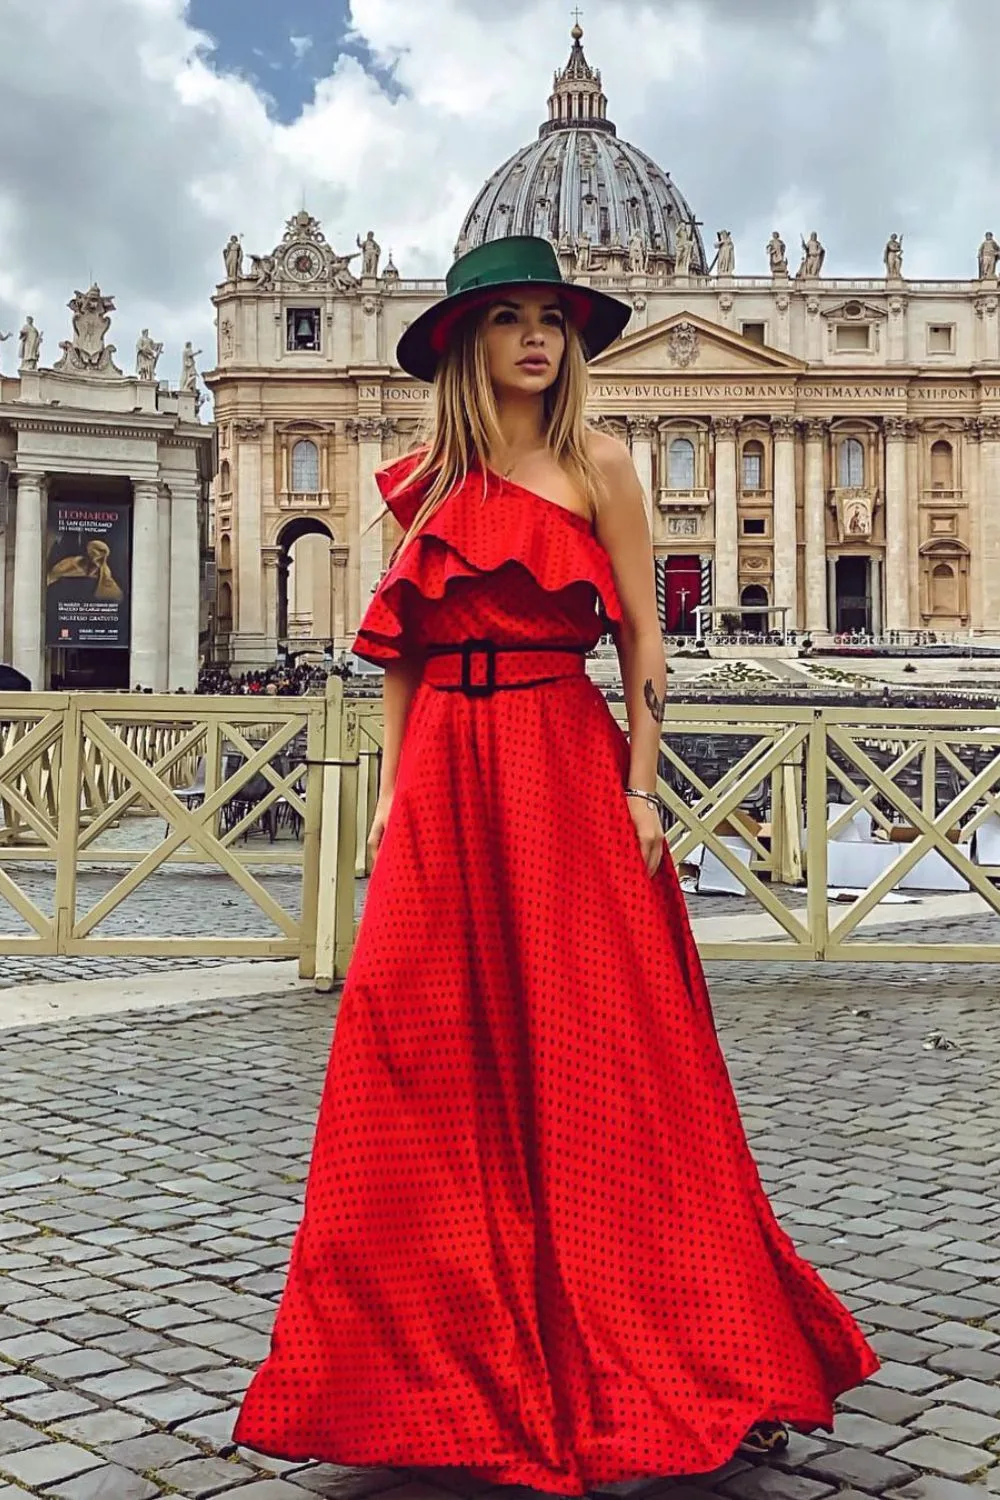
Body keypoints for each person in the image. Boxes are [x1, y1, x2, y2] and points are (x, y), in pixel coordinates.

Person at [233, 235, 877, 1491]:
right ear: (467, 342)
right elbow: (402, 651)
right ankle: (421, 1369)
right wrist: (391, 792)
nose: (537, 338)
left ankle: (678, 1338)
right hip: (448, 776)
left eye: (554, 319)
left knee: (603, 1054)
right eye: (510, 318)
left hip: (562, 761)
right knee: (418, 1051)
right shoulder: (422, 482)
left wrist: (642, 786)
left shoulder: (604, 464)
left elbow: (644, 638)